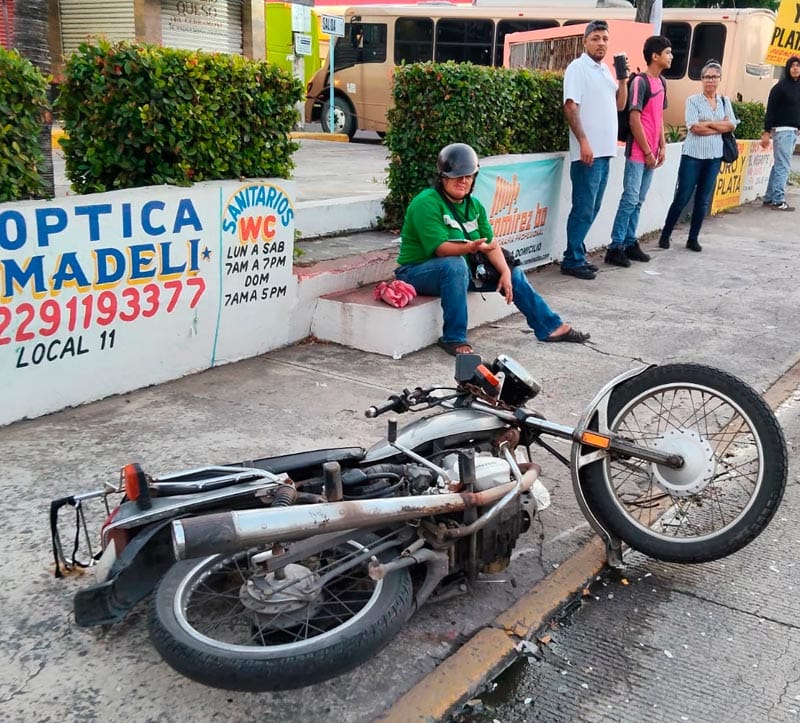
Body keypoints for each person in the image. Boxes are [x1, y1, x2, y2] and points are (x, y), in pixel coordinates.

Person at [395, 143, 590, 356]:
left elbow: (491, 244)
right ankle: (453, 337)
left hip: (461, 272)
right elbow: (441, 249)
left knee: (513, 272)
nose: (463, 181)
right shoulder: (426, 202)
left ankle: (550, 327)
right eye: (457, 176)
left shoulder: (475, 205)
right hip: (416, 272)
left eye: (468, 176)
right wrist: (470, 247)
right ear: (443, 177)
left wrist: (506, 272)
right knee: (454, 264)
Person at [560, 19, 629, 280]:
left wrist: (623, 80)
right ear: (585, 41)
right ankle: (572, 259)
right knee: (583, 207)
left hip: (604, 152)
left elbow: (620, 105)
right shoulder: (578, 68)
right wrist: (584, 141)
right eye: (596, 38)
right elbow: (570, 106)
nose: (601, 43)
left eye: (605, 39)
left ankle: (578, 252)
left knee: (594, 206)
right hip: (587, 153)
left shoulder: (604, 71)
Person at [605, 36, 673, 268]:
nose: (671, 56)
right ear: (655, 56)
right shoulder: (640, 83)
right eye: (667, 52)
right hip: (638, 152)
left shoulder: (662, 83)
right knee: (630, 198)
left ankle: (630, 241)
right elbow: (635, 119)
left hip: (651, 152)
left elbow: (659, 118)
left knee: (639, 200)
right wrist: (646, 151)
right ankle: (615, 247)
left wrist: (662, 146)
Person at [657, 60, 737, 253]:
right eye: (706, 77)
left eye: (714, 77)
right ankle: (665, 235)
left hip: (714, 157)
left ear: (719, 79)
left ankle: (693, 238)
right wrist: (718, 126)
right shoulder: (693, 100)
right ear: (701, 79)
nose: (710, 80)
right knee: (683, 196)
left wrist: (707, 124)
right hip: (693, 156)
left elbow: (732, 125)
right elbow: (694, 127)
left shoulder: (725, 102)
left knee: (702, 199)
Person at [760, 56, 800, 212]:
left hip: (792, 132)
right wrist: (766, 131)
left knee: (778, 165)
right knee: (783, 166)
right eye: (793, 66)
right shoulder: (780, 87)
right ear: (787, 68)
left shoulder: (798, 87)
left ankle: (769, 198)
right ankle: (778, 200)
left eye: (798, 65)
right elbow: (770, 111)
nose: (796, 68)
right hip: (782, 131)